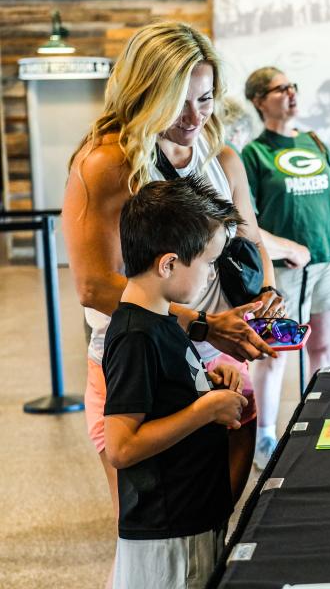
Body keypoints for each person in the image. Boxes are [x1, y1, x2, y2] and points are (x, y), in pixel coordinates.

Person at [62, 21, 282, 585]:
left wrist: (266, 294)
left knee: (209, 512)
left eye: (205, 99)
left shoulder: (215, 150)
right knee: (147, 522)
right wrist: (205, 325)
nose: (192, 117)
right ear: (142, 94)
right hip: (139, 356)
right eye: (175, 102)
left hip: (212, 351)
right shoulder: (104, 162)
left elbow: (246, 236)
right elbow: (94, 285)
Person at [104, 176, 247, 589]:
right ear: (167, 263)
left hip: (193, 515)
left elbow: (166, 394)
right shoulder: (135, 335)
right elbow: (122, 447)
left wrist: (209, 384)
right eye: (207, 263)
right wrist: (204, 410)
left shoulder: (164, 319)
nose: (210, 275)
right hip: (169, 537)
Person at [242, 66, 330, 468]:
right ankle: (265, 435)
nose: (291, 94)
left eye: (293, 87)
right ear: (260, 100)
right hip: (283, 271)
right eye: (281, 89)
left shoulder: (315, 143)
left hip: (328, 262)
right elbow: (246, 220)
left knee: (325, 348)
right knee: (274, 353)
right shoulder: (254, 154)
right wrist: (281, 250)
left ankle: (322, 422)